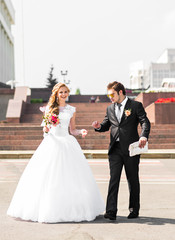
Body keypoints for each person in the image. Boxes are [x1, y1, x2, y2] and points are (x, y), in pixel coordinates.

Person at [7, 83, 105, 223]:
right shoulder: (49, 109)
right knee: (48, 177)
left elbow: (72, 130)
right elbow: (45, 129)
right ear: (56, 94)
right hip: (52, 143)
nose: (64, 94)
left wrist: (81, 131)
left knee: (71, 177)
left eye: (65, 92)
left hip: (67, 143)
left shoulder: (72, 109)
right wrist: (47, 130)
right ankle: (47, 209)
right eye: (61, 92)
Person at [92, 81, 150, 220]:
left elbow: (145, 122)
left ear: (120, 92)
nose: (110, 97)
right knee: (114, 179)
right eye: (108, 95)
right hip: (115, 149)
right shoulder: (110, 108)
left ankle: (134, 209)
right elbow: (107, 125)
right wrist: (99, 126)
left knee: (132, 179)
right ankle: (111, 211)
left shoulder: (135, 106)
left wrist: (143, 136)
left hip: (131, 149)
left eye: (112, 94)